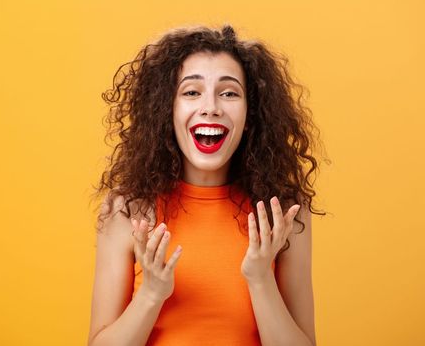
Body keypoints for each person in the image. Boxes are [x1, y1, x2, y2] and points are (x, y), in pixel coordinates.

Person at [87, 24, 327, 345]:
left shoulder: (283, 212)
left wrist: (260, 279)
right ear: (166, 110)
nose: (211, 107)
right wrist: (151, 294)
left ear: (251, 114)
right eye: (191, 92)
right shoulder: (128, 209)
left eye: (229, 93)